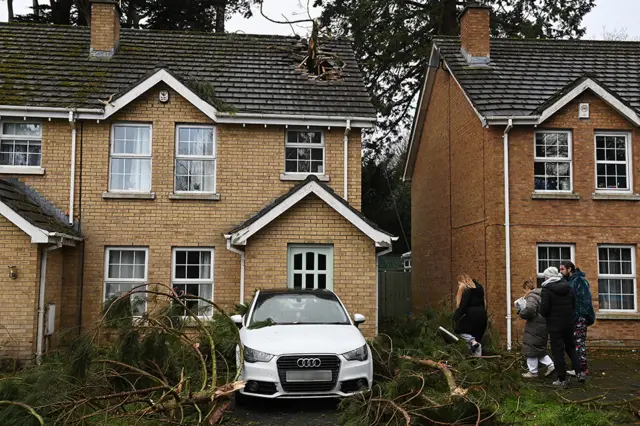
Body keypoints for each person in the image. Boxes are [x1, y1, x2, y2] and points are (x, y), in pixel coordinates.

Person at [539, 267, 583, 386]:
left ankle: (562, 379)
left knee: (558, 352)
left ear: (548, 277)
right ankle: (579, 372)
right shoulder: (568, 287)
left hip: (554, 326)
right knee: (571, 348)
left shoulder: (546, 290)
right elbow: (574, 305)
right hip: (568, 323)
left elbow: (544, 311)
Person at [560, 261, 595, 378]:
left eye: (562, 269)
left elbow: (585, 299)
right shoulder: (569, 281)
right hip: (572, 317)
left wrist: (580, 315)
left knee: (579, 343)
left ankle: (582, 369)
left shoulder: (579, 280)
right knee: (573, 343)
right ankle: (578, 368)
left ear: (569, 269)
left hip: (579, 317)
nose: (560, 272)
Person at [517, 280, 555, 378]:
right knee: (539, 349)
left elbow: (529, 310)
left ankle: (533, 372)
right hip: (543, 325)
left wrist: (521, 312)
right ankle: (551, 365)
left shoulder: (532, 296)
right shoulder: (542, 295)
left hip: (534, 325)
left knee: (530, 348)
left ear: (526, 288)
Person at [452, 274, 488, 356]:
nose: (459, 286)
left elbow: (462, 308)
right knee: (476, 342)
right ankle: (477, 360)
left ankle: (472, 341)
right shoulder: (480, 290)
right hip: (483, 317)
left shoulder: (467, 290)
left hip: (472, 316)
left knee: (459, 331)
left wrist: (454, 318)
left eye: (459, 283)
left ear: (463, 282)